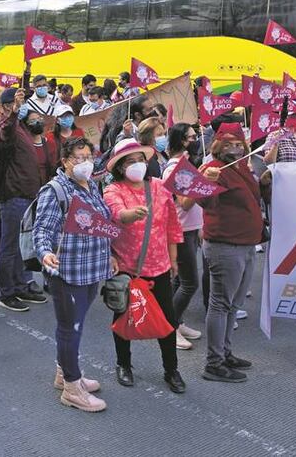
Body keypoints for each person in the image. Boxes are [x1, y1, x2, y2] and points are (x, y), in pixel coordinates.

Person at [34, 137, 115, 412]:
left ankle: (64, 372)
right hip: (67, 271)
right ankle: (71, 388)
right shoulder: (55, 190)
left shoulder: (92, 185)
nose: (84, 163)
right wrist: (45, 253)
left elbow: (102, 223)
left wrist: (111, 253)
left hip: (92, 268)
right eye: (77, 158)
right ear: (65, 161)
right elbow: (42, 230)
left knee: (76, 323)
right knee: (70, 328)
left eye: (88, 157)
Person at [103, 138, 185, 393]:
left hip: (159, 267)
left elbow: (172, 225)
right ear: (119, 167)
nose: (137, 165)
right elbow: (116, 214)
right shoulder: (113, 191)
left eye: (140, 160)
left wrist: (173, 259)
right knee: (122, 319)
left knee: (167, 322)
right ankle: (123, 364)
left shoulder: (160, 188)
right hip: (126, 268)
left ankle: (171, 370)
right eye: (130, 162)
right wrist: (131, 214)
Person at [196, 123, 263, 383]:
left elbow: (254, 196)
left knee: (233, 304)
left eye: (238, 144)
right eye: (228, 144)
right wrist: (206, 184)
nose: (235, 148)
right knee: (220, 304)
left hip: (245, 244)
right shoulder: (214, 169)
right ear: (218, 145)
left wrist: (265, 181)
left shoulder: (241, 166)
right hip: (225, 246)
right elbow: (206, 203)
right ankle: (214, 362)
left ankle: (224, 352)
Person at [0, 89, 51, 312]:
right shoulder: (6, 127)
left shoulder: (23, 130)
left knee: (23, 245)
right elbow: (6, 131)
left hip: (29, 196)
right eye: (16, 103)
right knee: (9, 246)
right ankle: (6, 292)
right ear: (8, 106)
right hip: (13, 196)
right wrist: (15, 114)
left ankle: (21, 285)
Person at [163, 123, 204, 350]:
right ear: (180, 140)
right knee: (189, 284)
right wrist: (203, 183)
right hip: (181, 230)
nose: (195, 139)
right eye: (190, 137)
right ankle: (169, 327)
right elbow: (185, 204)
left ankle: (177, 321)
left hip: (191, 228)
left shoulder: (186, 164)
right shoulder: (173, 169)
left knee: (180, 281)